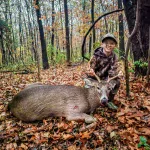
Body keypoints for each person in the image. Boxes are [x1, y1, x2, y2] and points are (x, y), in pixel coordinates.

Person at [89, 33, 122, 109]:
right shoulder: (95, 56)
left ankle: (109, 100)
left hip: (106, 80)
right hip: (95, 78)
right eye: (106, 43)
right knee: (88, 85)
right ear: (102, 44)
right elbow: (90, 68)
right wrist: (90, 71)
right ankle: (93, 101)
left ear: (114, 45)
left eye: (112, 43)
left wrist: (117, 74)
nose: (109, 45)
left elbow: (113, 71)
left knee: (117, 82)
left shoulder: (115, 57)